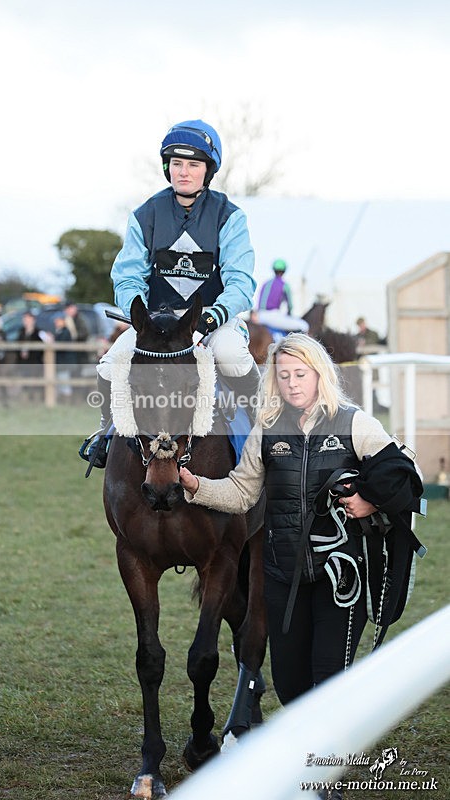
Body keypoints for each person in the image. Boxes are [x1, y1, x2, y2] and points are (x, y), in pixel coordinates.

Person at [180, 334, 424, 782]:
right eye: (284, 375)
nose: (293, 383)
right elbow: (241, 492)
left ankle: (321, 781)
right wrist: (195, 486)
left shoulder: (354, 422)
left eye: (301, 374)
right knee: (292, 688)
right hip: (280, 576)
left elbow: (405, 472)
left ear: (319, 374)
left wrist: (369, 498)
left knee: (328, 686)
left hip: (340, 580)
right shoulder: (268, 429)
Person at [81, 118, 261, 469]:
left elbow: (241, 282)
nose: (183, 172)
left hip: (212, 319)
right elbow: (127, 276)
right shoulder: (145, 215)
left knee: (231, 355)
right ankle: (104, 434)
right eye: (176, 164)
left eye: (193, 165)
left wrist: (211, 317)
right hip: (157, 321)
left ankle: (265, 431)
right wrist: (141, 315)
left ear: (207, 170)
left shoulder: (230, 217)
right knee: (107, 368)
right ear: (167, 167)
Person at [255, 259, 309, 337]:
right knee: (304, 326)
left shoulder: (266, 283)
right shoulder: (284, 285)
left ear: (273, 270)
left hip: (260, 315)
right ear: (284, 271)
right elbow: (290, 305)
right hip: (273, 315)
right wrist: (289, 314)